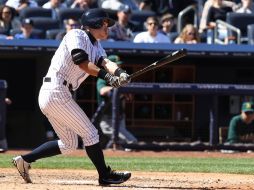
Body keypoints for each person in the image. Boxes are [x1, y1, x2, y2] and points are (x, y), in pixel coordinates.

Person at [12, 8, 131, 185]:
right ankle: (104, 175)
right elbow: (81, 62)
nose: (108, 28)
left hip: (57, 93)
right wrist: (108, 78)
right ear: (94, 24)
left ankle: (25, 160)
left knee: (69, 144)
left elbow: (105, 63)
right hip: (56, 90)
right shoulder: (77, 34)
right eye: (105, 24)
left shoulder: (96, 45)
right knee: (91, 133)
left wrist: (120, 74)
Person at [96, 54, 138, 148]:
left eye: (119, 65)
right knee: (131, 142)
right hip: (107, 119)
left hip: (120, 117)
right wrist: (117, 87)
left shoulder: (121, 79)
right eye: (117, 65)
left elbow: (129, 99)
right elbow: (102, 91)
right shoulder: (102, 78)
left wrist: (127, 89)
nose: (118, 67)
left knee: (119, 144)